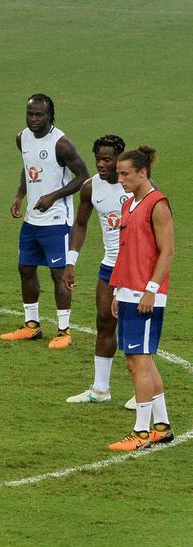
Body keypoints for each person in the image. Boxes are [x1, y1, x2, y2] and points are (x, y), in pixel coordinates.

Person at [0, 94, 90, 349]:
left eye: (39, 115)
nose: (34, 119)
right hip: (32, 220)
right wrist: (20, 194)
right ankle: (32, 326)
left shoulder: (61, 144)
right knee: (26, 268)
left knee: (58, 273)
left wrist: (54, 195)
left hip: (57, 220)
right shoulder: (22, 138)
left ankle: (64, 331)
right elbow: (29, 165)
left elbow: (83, 176)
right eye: (30, 114)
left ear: (51, 115)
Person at [107, 146, 174, 451]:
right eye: (119, 173)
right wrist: (118, 290)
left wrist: (150, 288)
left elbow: (167, 252)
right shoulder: (129, 205)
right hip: (129, 291)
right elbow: (127, 252)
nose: (119, 179)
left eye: (125, 174)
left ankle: (142, 434)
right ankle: (161, 427)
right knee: (141, 361)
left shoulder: (156, 204)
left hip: (146, 295)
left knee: (137, 364)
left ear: (143, 173)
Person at [64, 134, 136, 406]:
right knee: (104, 322)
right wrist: (71, 261)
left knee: (132, 328)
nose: (102, 164)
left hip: (135, 269)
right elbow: (80, 224)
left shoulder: (136, 186)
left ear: (120, 158)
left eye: (108, 159)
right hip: (110, 266)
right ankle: (100, 389)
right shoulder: (90, 187)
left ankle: (142, 390)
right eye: (98, 159)